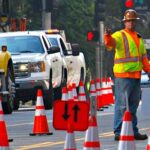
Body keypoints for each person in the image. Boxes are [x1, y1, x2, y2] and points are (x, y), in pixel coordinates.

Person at [104, 9, 150, 141]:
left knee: (133, 105)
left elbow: (143, 57)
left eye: (133, 21)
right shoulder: (119, 35)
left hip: (135, 76)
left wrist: (148, 70)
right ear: (125, 22)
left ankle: (133, 130)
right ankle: (118, 131)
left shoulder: (138, 38)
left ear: (135, 22)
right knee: (122, 105)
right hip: (123, 76)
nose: (131, 23)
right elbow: (110, 44)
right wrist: (107, 36)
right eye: (129, 21)